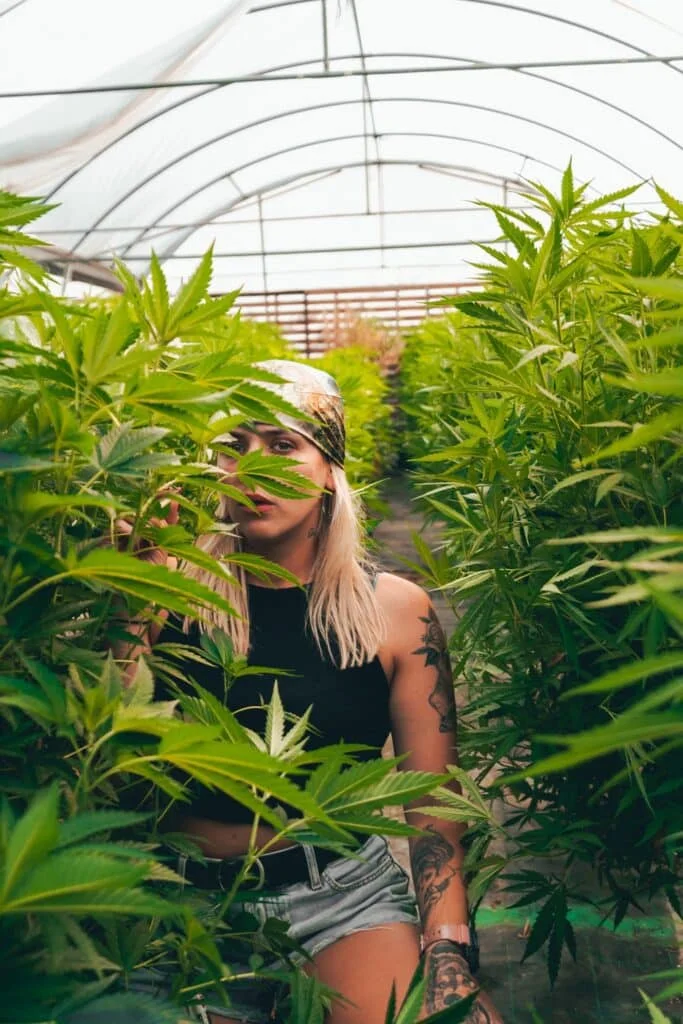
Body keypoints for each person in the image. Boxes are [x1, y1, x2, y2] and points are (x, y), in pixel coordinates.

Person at [119, 360, 502, 1024]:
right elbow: (109, 765)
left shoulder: (394, 613)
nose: (253, 469)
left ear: (329, 469)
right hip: (179, 902)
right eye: (234, 447)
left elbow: (434, 804)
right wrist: (129, 606)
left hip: (339, 896)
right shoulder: (162, 588)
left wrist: (446, 946)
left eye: (282, 445)